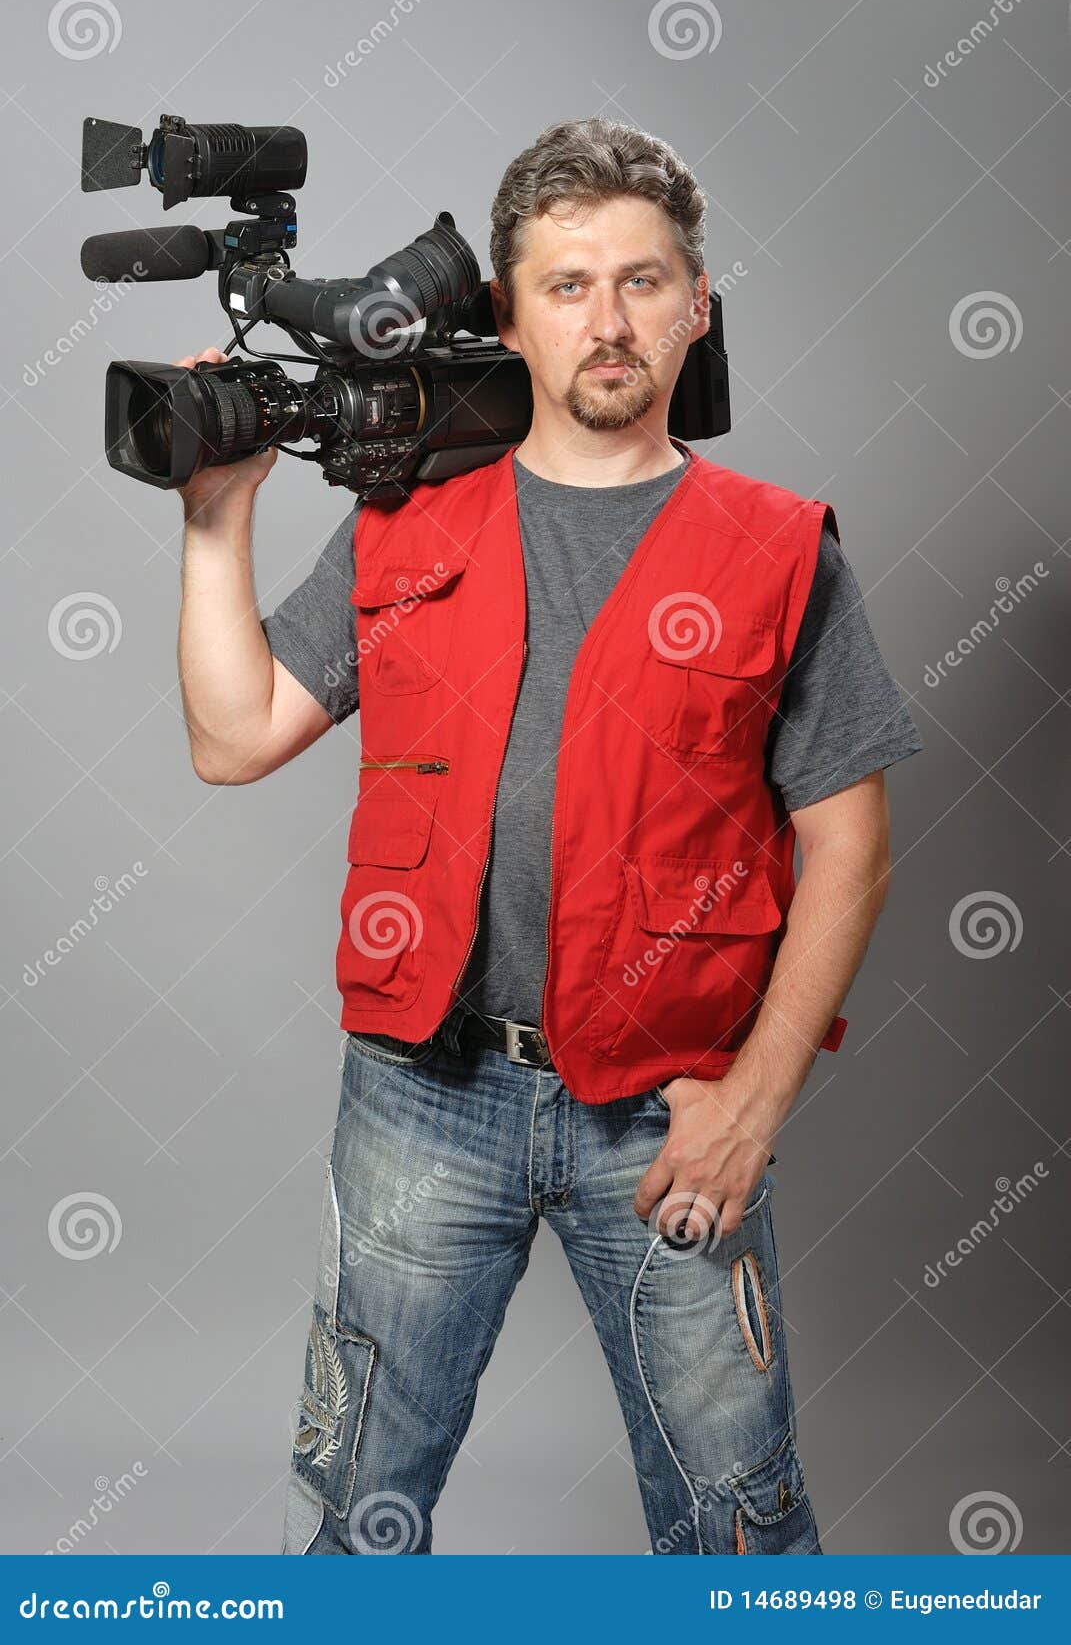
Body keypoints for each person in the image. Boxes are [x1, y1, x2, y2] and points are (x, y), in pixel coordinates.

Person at [176, 117, 923, 1556]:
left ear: (697, 306)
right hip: (422, 1096)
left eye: (644, 281)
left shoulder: (776, 548)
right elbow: (235, 732)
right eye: (567, 283)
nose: (609, 315)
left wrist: (755, 1102)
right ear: (504, 314)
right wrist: (217, 524)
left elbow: (853, 849)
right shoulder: (406, 520)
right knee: (351, 1513)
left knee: (736, 1522)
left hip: (669, 1113)